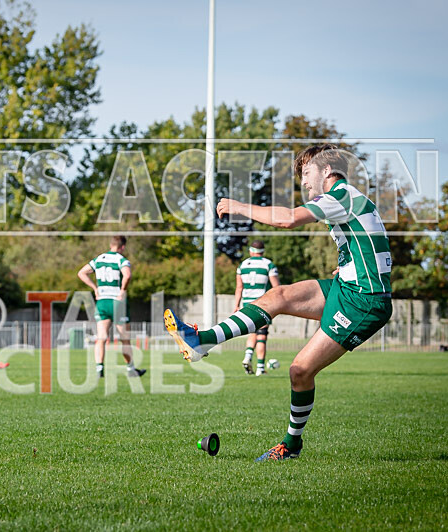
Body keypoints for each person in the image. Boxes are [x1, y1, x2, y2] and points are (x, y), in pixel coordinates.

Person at [164, 144, 393, 461]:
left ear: (327, 170)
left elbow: (287, 219)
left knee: (300, 370)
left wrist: (240, 206)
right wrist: (353, 262)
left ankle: (290, 446)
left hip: (364, 301)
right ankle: (201, 341)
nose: (305, 182)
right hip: (348, 286)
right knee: (277, 295)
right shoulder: (349, 200)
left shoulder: (342, 194)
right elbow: (373, 238)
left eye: (307, 173)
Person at [77, 236, 146, 378]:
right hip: (117, 302)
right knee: (124, 338)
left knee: (101, 337)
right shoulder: (121, 260)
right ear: (122, 247)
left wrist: (94, 288)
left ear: (111, 244)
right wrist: (123, 290)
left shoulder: (99, 259)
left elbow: (81, 273)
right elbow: (127, 275)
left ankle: (99, 369)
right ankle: (131, 369)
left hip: (102, 301)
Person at [235, 240, 280, 375]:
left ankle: (248, 356)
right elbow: (277, 287)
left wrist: (236, 305)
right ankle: (260, 368)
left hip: (247, 303)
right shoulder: (268, 264)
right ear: (262, 251)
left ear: (250, 251)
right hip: (263, 303)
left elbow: (239, 287)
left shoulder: (242, 265)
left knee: (252, 332)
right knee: (262, 335)